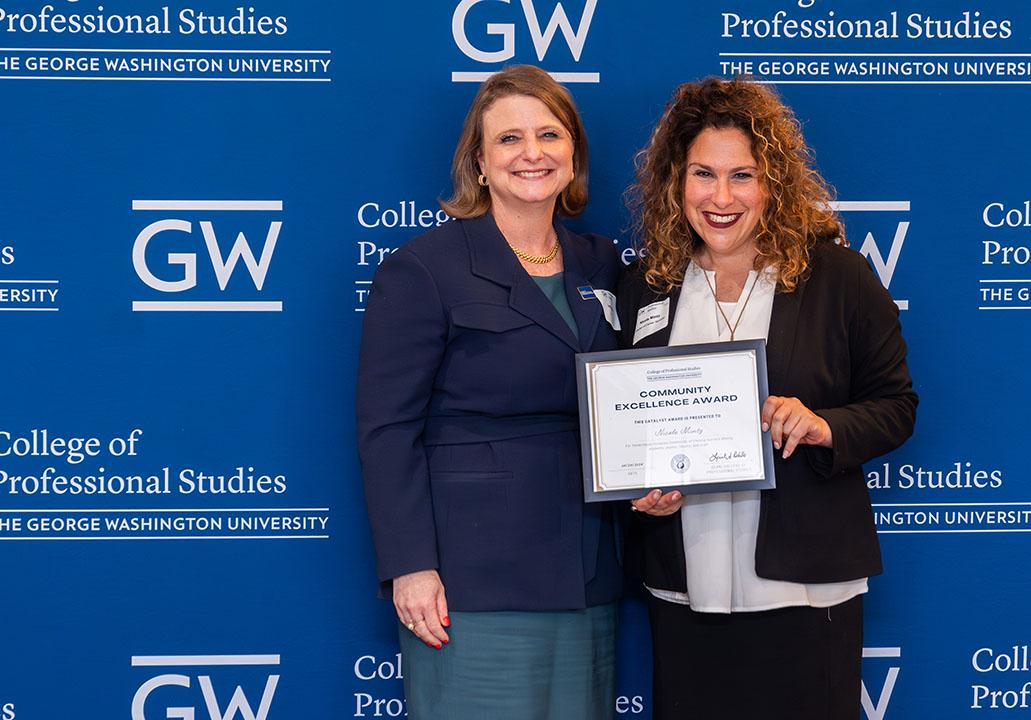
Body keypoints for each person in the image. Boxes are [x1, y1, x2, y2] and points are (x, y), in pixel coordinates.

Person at [617, 77, 918, 719]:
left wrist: (822, 425)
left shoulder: (836, 276)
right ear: (676, 181)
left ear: (772, 184)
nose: (721, 198)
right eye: (703, 174)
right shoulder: (648, 286)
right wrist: (642, 486)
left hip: (807, 587)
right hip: (682, 583)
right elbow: (624, 422)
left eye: (742, 176)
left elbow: (895, 405)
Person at [356, 65, 622, 720]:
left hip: (588, 571)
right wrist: (411, 565)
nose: (532, 153)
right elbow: (387, 431)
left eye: (549, 135)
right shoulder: (423, 270)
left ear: (573, 154)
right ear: (478, 162)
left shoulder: (603, 262)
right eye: (509, 139)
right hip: (473, 580)